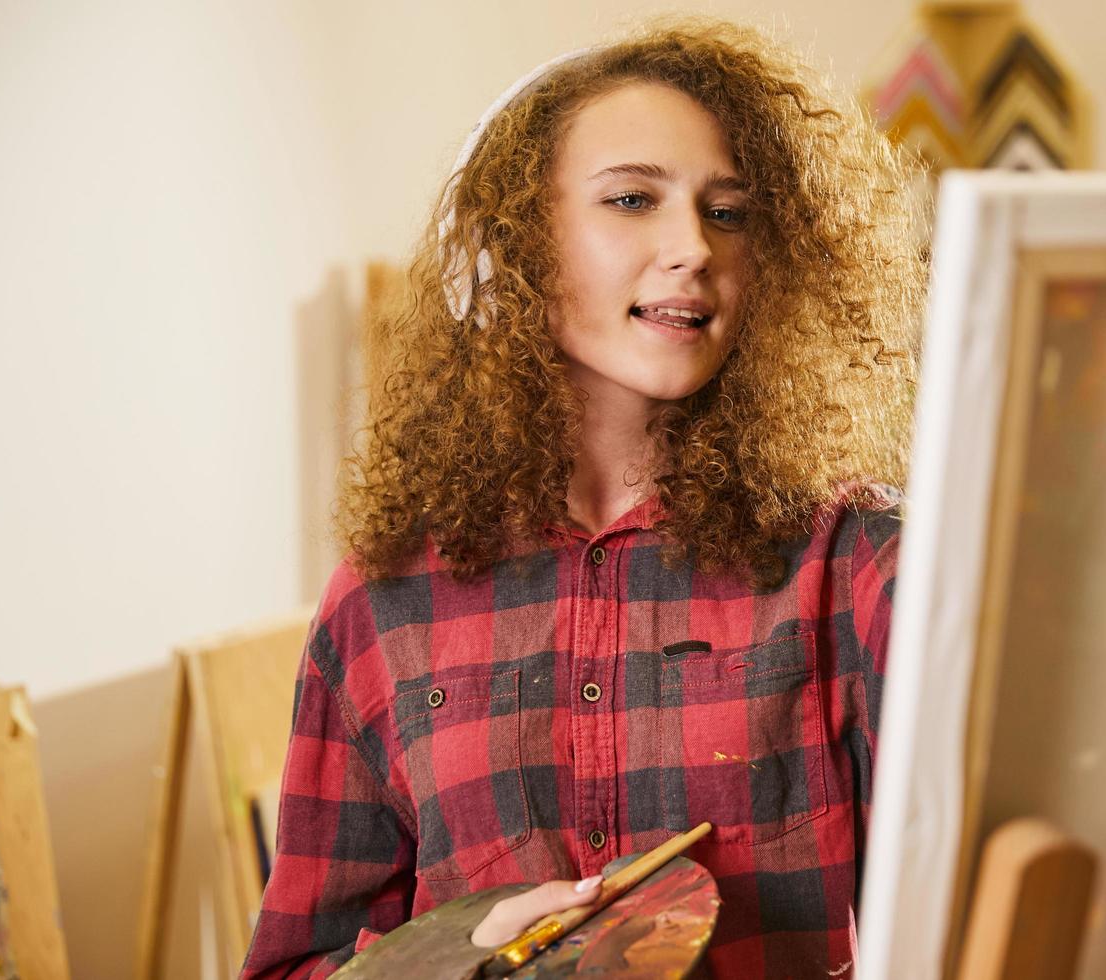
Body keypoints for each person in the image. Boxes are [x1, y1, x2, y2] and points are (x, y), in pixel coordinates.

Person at [241, 17, 925, 979]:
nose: (690, 246)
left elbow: (975, 922)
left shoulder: (855, 566)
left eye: (728, 213)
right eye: (633, 199)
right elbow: (293, 965)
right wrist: (447, 960)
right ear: (515, 242)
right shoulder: (382, 603)